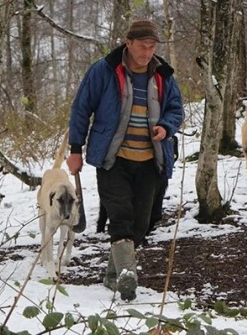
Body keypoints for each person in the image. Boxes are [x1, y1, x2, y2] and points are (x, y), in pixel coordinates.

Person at [67, 19, 184, 301]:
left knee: (141, 224)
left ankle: (113, 274)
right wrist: (75, 149)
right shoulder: (104, 70)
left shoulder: (163, 75)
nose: (147, 52)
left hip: (150, 160)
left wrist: (166, 126)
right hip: (113, 158)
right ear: (128, 43)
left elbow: (176, 109)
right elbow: (81, 108)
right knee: (120, 216)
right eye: (142, 46)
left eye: (152, 47)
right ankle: (128, 275)